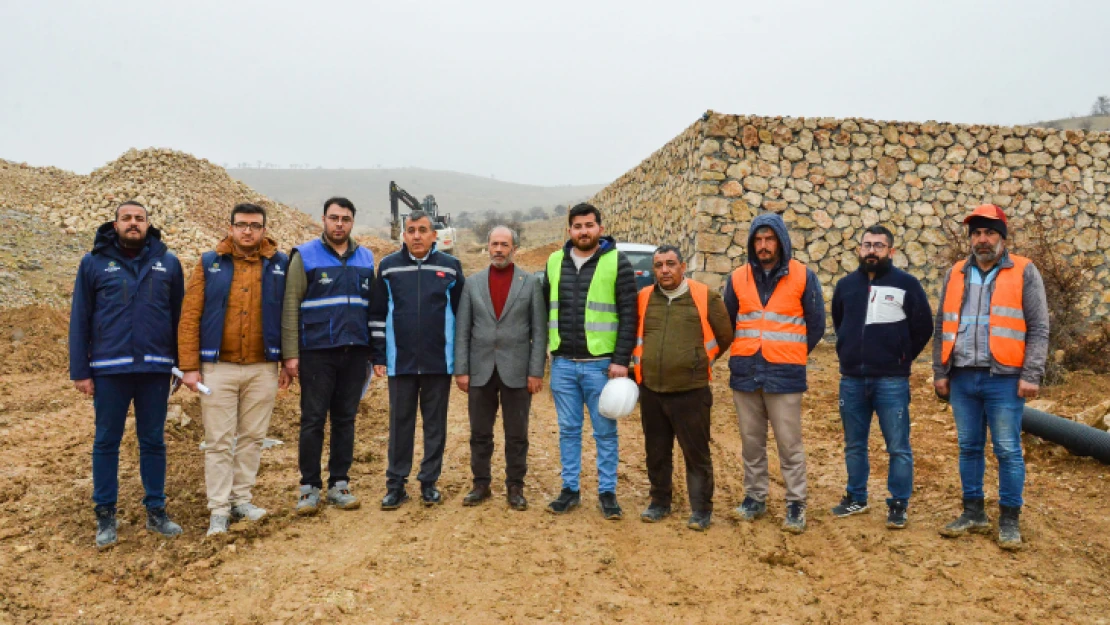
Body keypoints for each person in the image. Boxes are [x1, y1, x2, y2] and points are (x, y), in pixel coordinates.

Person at [69, 200, 185, 549]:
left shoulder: (169, 263)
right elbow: (80, 319)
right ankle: (105, 514)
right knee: (106, 441)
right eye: (127, 219)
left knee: (153, 441)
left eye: (140, 218)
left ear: (149, 224)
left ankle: (156, 510)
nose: (133, 223)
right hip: (109, 370)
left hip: (154, 369)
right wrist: (81, 371)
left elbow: (180, 318)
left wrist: (182, 365)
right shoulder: (93, 263)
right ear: (115, 224)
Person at [933, 204, 1049, 550]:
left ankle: (1009, 520)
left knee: (1008, 449)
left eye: (990, 233)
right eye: (977, 234)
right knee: (969, 447)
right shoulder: (955, 273)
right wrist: (940, 371)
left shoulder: (1024, 271)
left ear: (1002, 237)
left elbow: (1039, 327)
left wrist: (1032, 373)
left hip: (1005, 378)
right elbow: (942, 325)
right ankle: (973, 512)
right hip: (963, 377)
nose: (982, 240)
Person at [178, 203, 291, 536]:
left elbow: (289, 315)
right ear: (230, 228)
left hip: (263, 367)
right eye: (241, 225)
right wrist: (189, 367)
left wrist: (287, 360)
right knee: (218, 441)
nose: (248, 231)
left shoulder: (280, 265)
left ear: (264, 230)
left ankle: (241, 499)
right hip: (218, 368)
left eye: (255, 226)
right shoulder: (210, 263)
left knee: (253, 438)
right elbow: (190, 315)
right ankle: (218, 509)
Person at [723, 212, 825, 534]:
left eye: (769, 239)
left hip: (785, 375)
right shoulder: (738, 277)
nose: (764, 245)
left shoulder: (803, 276)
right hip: (745, 372)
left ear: (781, 241)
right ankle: (755, 498)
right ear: (752, 243)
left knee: (789, 444)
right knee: (751, 443)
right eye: (758, 239)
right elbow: (727, 322)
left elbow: (817, 324)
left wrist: (791, 354)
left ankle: (796, 503)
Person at [830, 225, 933, 529]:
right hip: (852, 380)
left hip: (891, 381)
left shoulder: (908, 285)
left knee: (898, 446)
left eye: (878, 245)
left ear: (891, 251)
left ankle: (898, 503)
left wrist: (901, 357)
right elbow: (840, 321)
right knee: (854, 444)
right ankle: (856, 497)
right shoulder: (845, 286)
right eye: (866, 245)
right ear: (859, 250)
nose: (871, 250)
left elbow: (923, 327)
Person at [543, 203, 638, 520]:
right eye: (577, 226)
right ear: (569, 230)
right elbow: (546, 307)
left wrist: (621, 359)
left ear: (599, 228)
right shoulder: (554, 261)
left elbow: (629, 315)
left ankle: (607, 493)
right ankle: (570, 489)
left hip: (601, 365)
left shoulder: (616, 262)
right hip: (564, 365)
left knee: (605, 432)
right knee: (568, 430)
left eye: (589, 225)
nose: (583, 231)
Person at [282, 197, 375, 515]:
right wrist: (291, 355)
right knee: (312, 420)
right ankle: (309, 488)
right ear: (323, 219)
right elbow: (291, 305)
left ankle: (340, 483)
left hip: (355, 352)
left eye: (345, 219)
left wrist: (374, 352)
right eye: (334, 218)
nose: (339, 224)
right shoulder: (304, 256)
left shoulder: (366, 257)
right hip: (317, 352)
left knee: (345, 419)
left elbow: (372, 308)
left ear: (352, 222)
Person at [631, 245, 733, 531]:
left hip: (691, 391)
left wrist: (698, 362)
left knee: (696, 453)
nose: (664, 270)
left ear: (682, 266)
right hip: (651, 390)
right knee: (656, 451)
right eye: (659, 265)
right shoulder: (644, 298)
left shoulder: (705, 296)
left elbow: (725, 335)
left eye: (670, 264)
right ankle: (659, 502)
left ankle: (701, 509)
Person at [371, 210, 465, 509]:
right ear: (403, 234)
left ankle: (428, 482)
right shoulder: (387, 267)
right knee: (401, 424)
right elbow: (377, 314)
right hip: (401, 362)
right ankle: (396, 484)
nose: (416, 236)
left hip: (439, 362)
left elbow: (462, 316)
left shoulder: (450, 267)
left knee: (435, 424)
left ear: (434, 235)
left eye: (423, 230)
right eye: (411, 230)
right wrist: (379, 355)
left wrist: (460, 360)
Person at [454, 226, 546, 510]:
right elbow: (463, 329)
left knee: (517, 433)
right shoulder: (473, 283)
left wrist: (535, 371)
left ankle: (515, 487)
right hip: (480, 369)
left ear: (514, 249)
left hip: (517, 370)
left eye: (504, 245)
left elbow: (539, 331)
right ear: (488, 247)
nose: (498, 249)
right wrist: (462, 369)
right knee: (480, 432)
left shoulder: (529, 284)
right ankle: (480, 483)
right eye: (494, 244)